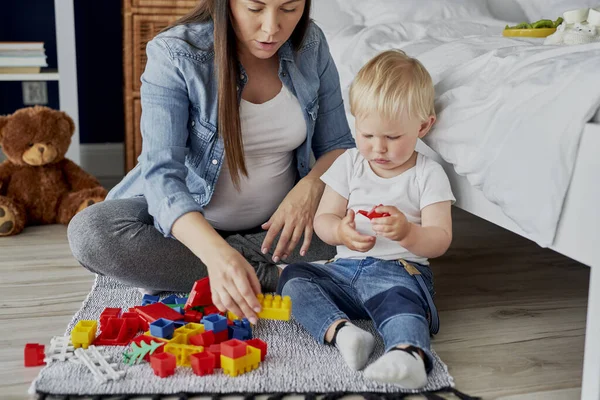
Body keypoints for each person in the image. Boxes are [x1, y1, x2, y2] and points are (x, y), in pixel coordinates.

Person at [67, 0, 355, 326]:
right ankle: (269, 276)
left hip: (275, 231)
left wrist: (310, 187)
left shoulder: (311, 44)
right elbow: (161, 175)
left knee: (363, 220)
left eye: (289, 8)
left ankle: (203, 271)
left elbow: (338, 146)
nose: (272, 27)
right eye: (256, 8)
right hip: (189, 232)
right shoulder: (175, 53)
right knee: (92, 234)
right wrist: (216, 254)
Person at [276, 50, 455, 389]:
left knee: (402, 304)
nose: (378, 148)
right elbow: (324, 220)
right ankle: (343, 332)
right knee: (294, 279)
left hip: (399, 271)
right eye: (368, 134)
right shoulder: (348, 163)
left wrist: (407, 232)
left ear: (423, 126)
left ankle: (409, 354)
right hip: (344, 271)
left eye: (392, 137)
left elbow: (440, 237)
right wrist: (340, 232)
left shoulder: (427, 174)